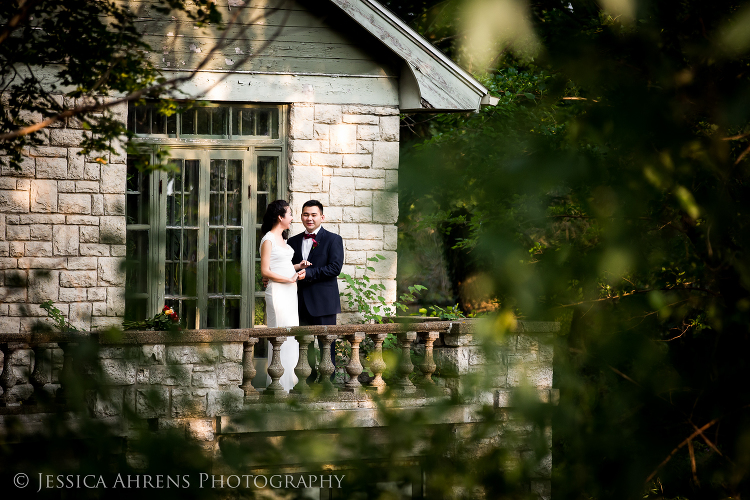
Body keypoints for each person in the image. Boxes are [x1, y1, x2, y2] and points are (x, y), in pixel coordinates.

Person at [287, 201, 344, 379]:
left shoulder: (333, 239)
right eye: (305, 214)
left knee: (327, 345)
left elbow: (335, 268)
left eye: (313, 215)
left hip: (324, 302)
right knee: (305, 346)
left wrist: (310, 273)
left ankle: (328, 383)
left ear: (322, 217)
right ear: (301, 216)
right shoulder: (293, 241)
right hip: (300, 302)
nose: (309, 218)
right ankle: (308, 382)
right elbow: (287, 268)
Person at [259, 200, 310, 391]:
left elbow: (283, 264)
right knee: (280, 335)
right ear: (280, 217)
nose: (291, 218)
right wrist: (289, 280)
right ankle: (278, 385)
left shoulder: (283, 239)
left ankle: (291, 384)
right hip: (278, 292)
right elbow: (265, 271)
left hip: (289, 293)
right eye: (289, 214)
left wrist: (298, 267)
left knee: (291, 336)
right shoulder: (268, 239)